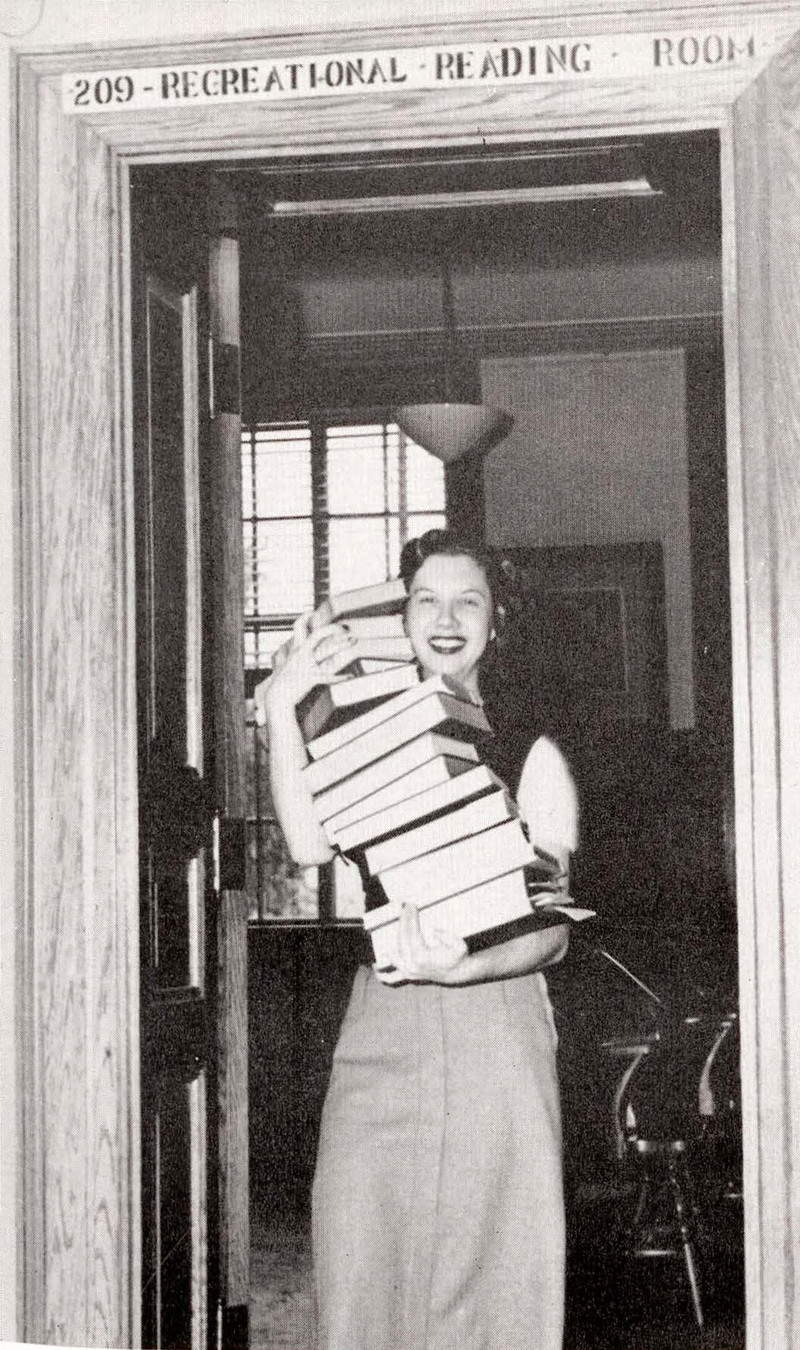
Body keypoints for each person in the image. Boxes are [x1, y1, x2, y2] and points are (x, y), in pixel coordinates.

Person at [257, 528, 578, 1350]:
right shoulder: (366, 729)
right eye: (426, 600)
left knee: (492, 1276)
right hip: (383, 1021)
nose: (445, 618)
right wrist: (280, 706)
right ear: (400, 618)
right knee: (359, 1256)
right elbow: (307, 844)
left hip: (497, 1019)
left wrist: (467, 965)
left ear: (496, 622)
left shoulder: (532, 749)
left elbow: (553, 933)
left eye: (468, 601)